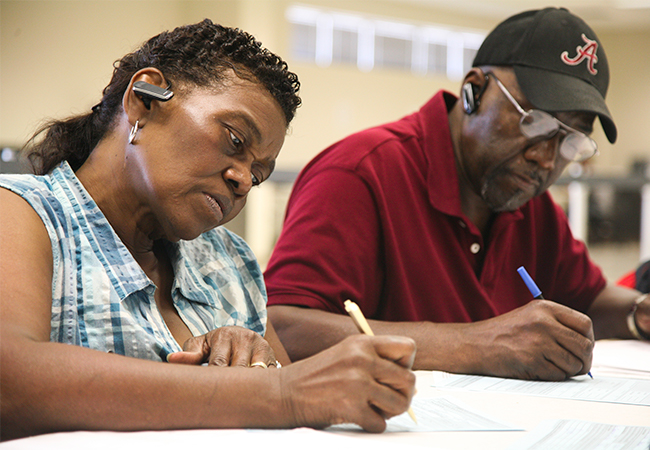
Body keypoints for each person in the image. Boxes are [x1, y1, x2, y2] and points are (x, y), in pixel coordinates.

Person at [0, 19, 416, 441]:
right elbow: (9, 380)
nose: (243, 181)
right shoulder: (23, 213)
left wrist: (257, 362)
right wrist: (277, 394)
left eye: (259, 174)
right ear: (145, 101)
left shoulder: (231, 261)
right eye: (235, 140)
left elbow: (301, 415)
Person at [265, 7, 650, 381]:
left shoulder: (529, 202)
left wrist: (639, 313)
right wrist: (478, 344)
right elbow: (283, 327)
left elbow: (590, 299)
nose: (547, 159)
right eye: (535, 122)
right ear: (474, 92)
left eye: (571, 140)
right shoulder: (359, 174)